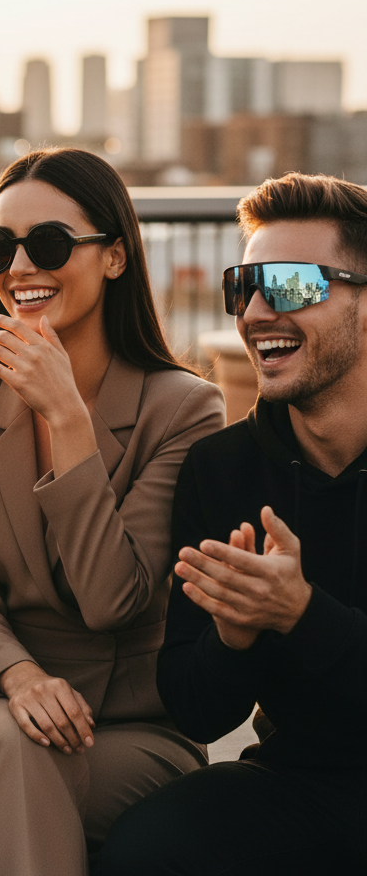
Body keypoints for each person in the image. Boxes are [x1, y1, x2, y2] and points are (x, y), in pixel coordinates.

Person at [0, 147, 226, 875]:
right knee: (17, 751)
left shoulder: (185, 411)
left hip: (132, 726)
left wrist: (69, 422)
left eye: (48, 243)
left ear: (114, 257)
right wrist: (21, 679)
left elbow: (114, 598)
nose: (19, 266)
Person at [99, 173, 367, 875]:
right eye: (242, 287)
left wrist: (303, 613)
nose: (252, 313)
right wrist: (234, 635)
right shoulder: (223, 468)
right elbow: (195, 710)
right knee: (143, 853)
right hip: (296, 780)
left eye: (287, 287)